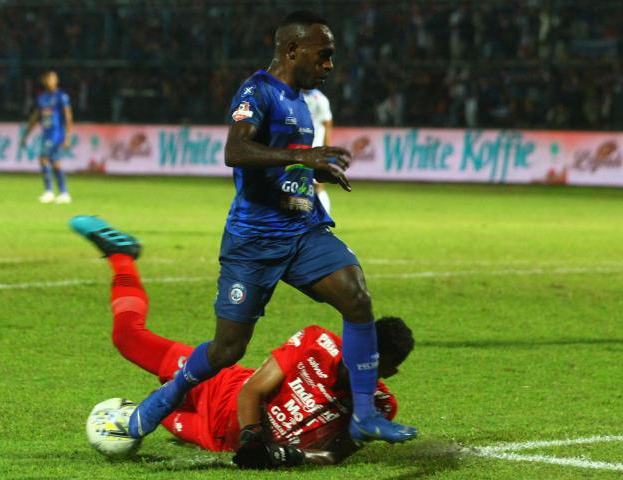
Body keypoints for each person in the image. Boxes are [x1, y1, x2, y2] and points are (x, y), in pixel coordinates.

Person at [121, 10, 417, 446]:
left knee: (357, 298)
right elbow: (236, 151)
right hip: (254, 240)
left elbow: (286, 162)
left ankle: (365, 415)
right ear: (293, 49)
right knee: (228, 350)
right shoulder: (256, 90)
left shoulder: (301, 102)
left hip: (301, 230)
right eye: (324, 55)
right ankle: (170, 394)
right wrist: (305, 158)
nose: (329, 65)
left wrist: (314, 172)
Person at [69, 215, 415, 469]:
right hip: (218, 386)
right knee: (128, 338)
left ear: (391, 371)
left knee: (138, 436)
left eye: (373, 363)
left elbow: (335, 454)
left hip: (216, 437)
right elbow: (251, 391)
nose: (358, 363)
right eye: (360, 352)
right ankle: (121, 255)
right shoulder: (318, 344)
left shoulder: (380, 406)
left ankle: (140, 415)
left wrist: (288, 455)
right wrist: (253, 435)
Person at [21, 70, 73, 204]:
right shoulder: (42, 98)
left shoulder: (61, 96)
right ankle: (63, 193)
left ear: (56, 81)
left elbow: (68, 117)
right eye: (47, 79)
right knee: (55, 163)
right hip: (46, 133)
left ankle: (50, 191)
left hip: (56, 133)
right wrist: (26, 134)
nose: (49, 81)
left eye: (52, 78)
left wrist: (67, 136)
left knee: (43, 159)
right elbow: (36, 116)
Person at [304, 88, 334, 214]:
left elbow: (327, 124)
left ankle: (324, 218)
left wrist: (326, 149)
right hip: (300, 148)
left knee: (318, 185)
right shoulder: (295, 95)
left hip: (315, 148)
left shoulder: (320, 99)